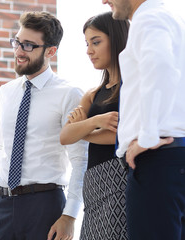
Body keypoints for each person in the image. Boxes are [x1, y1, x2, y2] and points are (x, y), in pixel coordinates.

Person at [0, 11, 88, 240]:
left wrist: (69, 216)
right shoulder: (6, 92)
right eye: (17, 42)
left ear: (50, 51)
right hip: (4, 206)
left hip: (45, 206)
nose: (19, 51)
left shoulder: (69, 94)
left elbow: (80, 160)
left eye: (29, 45)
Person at [101, 0, 185, 239]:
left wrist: (148, 136)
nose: (104, 1)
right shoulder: (175, 20)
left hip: (158, 162)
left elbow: (160, 66)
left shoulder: (148, 18)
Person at [59, 12, 129, 239]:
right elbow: (66, 135)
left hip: (121, 177)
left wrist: (84, 129)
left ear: (117, 39)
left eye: (96, 42)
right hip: (93, 185)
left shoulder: (132, 87)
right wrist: (97, 122)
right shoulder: (92, 93)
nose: (89, 50)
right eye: (87, 44)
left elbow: (122, 136)